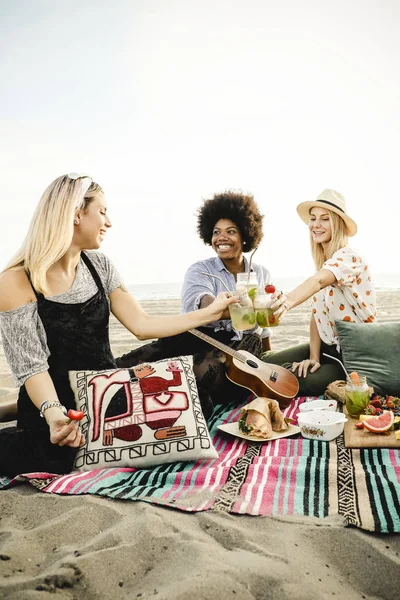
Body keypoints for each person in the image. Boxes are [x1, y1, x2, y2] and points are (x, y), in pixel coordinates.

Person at [0, 173, 237, 477]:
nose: (108, 222)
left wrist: (212, 313)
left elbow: (142, 324)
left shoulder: (100, 266)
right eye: (102, 211)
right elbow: (32, 367)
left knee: (192, 403)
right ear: (75, 214)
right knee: (57, 455)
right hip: (56, 405)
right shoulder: (16, 280)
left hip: (107, 393)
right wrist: (54, 415)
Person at [116, 190, 272, 402]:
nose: (222, 238)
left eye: (231, 231)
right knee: (129, 367)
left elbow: (263, 328)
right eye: (216, 232)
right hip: (196, 338)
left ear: (246, 234)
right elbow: (203, 303)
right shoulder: (200, 270)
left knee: (208, 378)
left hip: (239, 347)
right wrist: (221, 307)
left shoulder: (261, 273)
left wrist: (268, 363)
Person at [262, 189, 376, 396]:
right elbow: (317, 314)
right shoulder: (324, 263)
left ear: (338, 224)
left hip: (350, 359)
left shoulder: (349, 258)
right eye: (313, 218)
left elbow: (317, 281)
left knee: (281, 379)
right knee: (263, 364)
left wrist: (286, 301)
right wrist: (314, 357)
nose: (316, 224)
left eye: (325, 219)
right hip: (326, 350)